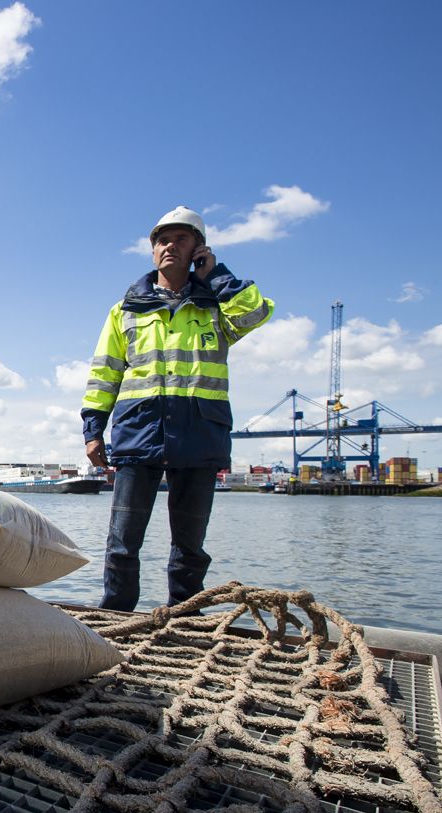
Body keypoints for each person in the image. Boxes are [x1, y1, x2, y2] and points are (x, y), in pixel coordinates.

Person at [81, 206, 274, 612]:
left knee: (189, 548)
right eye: (162, 240)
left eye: (181, 239)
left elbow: (255, 313)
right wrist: (93, 430)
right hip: (139, 435)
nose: (170, 246)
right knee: (121, 543)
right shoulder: (125, 311)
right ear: (152, 252)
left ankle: (185, 621)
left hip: (200, 436)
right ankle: (116, 618)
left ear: (199, 249)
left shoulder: (217, 307)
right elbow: (105, 374)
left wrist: (217, 276)